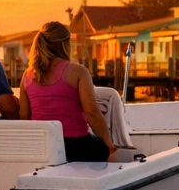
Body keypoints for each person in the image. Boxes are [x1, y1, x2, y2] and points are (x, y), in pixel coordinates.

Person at [19, 22, 116, 163]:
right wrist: (109, 144)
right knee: (106, 151)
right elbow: (92, 113)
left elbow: (25, 115)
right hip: (76, 147)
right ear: (63, 44)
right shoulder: (78, 71)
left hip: (42, 147)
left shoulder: (27, 75)